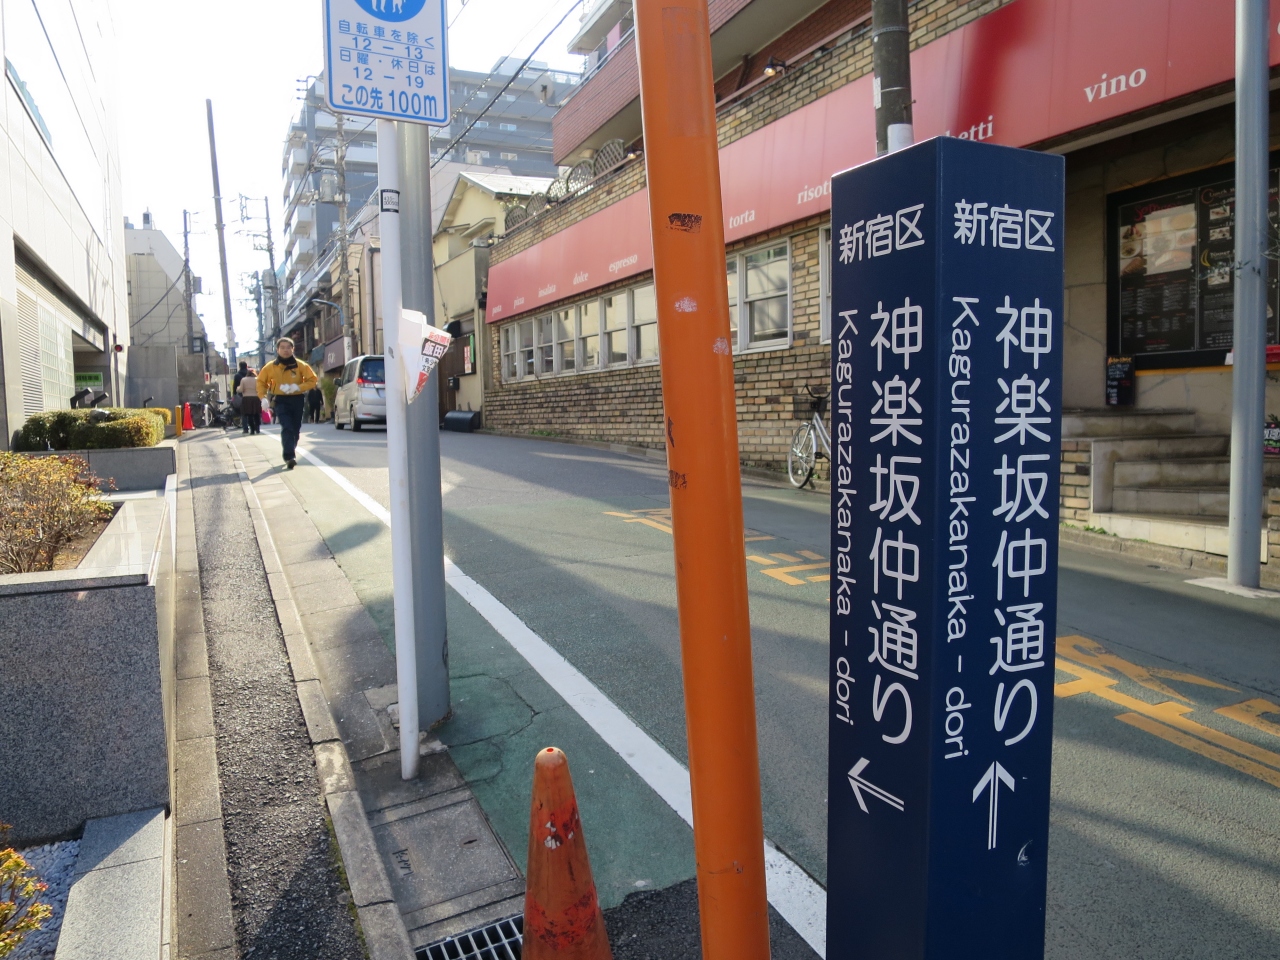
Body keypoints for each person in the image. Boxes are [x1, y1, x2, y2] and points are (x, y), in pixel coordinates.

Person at [257, 338, 317, 469]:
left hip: (297, 399)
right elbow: (261, 382)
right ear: (277, 350)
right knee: (287, 427)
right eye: (282, 347)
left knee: (295, 429)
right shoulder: (270, 367)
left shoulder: (300, 365)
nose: (285, 350)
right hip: (280, 400)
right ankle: (289, 457)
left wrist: (298, 387)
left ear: (293, 349)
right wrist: (263, 398)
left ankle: (291, 449)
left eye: (288, 347)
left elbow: (312, 379)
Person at [238, 368, 261, 435]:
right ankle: (257, 428)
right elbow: (260, 389)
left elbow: (241, 390)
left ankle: (252, 429)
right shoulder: (257, 379)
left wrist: (237, 389)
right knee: (257, 414)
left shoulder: (243, 379)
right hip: (256, 398)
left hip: (246, 398)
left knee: (249, 414)